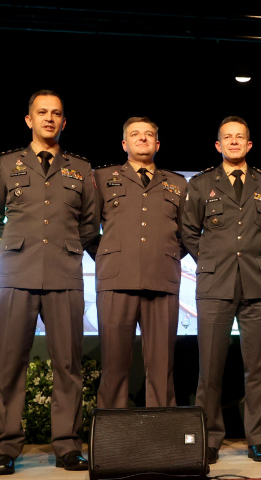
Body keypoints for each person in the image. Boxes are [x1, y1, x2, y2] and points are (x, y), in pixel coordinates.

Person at [0, 91, 100, 475]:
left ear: (64, 122)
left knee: (67, 364)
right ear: (28, 119)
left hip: (64, 274)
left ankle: (67, 445)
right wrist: (17, 246)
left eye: (57, 114)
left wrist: (62, 249)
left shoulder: (81, 169)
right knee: (10, 363)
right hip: (16, 272)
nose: (49, 119)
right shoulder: (6, 164)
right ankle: (4, 447)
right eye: (42, 113)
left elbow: (88, 224)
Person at [182, 116, 261, 464]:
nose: (234, 142)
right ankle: (208, 440)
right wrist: (212, 260)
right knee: (210, 369)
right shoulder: (201, 183)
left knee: (259, 367)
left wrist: (251, 260)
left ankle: (258, 439)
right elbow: (189, 232)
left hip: (258, 284)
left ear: (249, 145)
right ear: (218, 145)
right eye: (228, 137)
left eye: (241, 137)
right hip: (215, 284)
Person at [94, 118, 188, 409]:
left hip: (162, 280)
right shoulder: (101, 178)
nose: (143, 139)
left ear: (158, 144)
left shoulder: (177, 183)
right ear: (125, 144)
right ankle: (113, 442)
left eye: (149, 135)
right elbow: (86, 229)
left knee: (162, 368)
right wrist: (110, 256)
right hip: (116, 280)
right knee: (114, 366)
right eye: (135, 134)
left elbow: (187, 235)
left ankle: (160, 440)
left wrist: (164, 255)